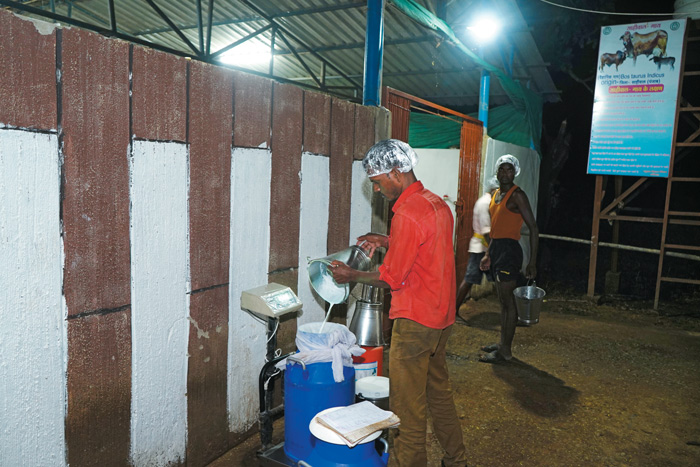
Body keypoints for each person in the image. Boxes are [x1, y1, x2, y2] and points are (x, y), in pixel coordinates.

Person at [330, 139, 467, 467]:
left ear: (395, 172)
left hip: (416, 322)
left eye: (377, 182)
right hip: (442, 318)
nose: (377, 190)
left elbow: (391, 278)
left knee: (407, 407)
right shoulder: (436, 204)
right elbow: (423, 245)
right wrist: (388, 240)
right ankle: (456, 459)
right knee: (438, 393)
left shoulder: (405, 212)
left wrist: (351, 275)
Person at [478, 154, 539, 364]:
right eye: (502, 169)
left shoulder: (517, 195)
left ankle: (506, 351)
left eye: (509, 170)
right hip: (497, 250)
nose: (505, 173)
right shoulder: (496, 194)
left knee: (508, 302)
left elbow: (533, 227)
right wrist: (488, 254)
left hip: (510, 251)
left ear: (515, 172)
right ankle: (503, 343)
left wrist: (532, 261)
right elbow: (495, 229)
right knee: (503, 301)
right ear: (497, 171)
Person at [455, 176, 500, 317]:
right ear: (495, 189)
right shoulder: (484, 203)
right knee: (470, 280)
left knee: (499, 280)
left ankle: (510, 311)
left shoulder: (490, 202)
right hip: (481, 249)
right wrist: (493, 252)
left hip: (486, 248)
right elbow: (487, 231)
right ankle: (453, 312)